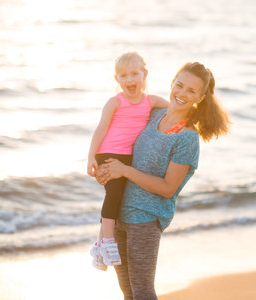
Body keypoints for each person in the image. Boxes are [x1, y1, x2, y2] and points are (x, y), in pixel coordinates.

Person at [95, 62, 230, 299]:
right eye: (179, 85)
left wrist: (124, 171)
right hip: (119, 214)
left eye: (191, 91)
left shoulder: (187, 138)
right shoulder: (154, 114)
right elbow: (121, 144)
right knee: (128, 292)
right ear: (172, 84)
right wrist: (107, 171)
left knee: (143, 292)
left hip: (146, 219)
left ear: (200, 97)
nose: (182, 94)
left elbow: (168, 189)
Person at [87, 52, 168, 271]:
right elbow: (101, 128)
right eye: (123, 75)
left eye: (135, 74)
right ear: (117, 80)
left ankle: (98, 245)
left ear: (145, 74)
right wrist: (91, 156)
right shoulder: (115, 102)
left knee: (120, 196)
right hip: (109, 154)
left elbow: (174, 111)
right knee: (114, 193)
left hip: (129, 159)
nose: (130, 79)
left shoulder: (151, 101)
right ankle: (106, 242)